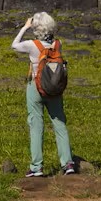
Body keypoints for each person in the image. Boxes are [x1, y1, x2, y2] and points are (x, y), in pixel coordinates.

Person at [12, 11, 75, 177]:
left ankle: (36, 167)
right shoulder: (57, 44)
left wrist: (25, 27)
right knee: (59, 123)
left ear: (36, 27)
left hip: (36, 86)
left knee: (36, 125)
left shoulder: (32, 45)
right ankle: (68, 163)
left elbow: (14, 45)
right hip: (55, 88)